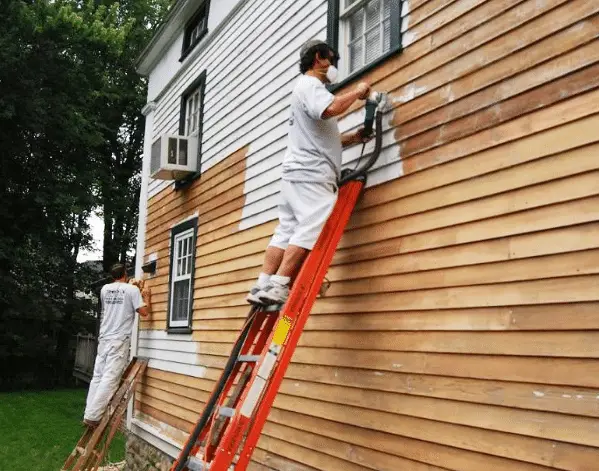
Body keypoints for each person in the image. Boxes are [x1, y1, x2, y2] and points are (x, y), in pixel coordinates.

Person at [246, 39, 372, 306]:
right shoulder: (311, 85)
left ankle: (263, 284)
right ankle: (280, 285)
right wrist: (358, 92)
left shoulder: (301, 91)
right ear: (319, 58)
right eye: (331, 59)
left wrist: (354, 138)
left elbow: (321, 139)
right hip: (312, 174)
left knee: (286, 229)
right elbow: (332, 108)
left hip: (295, 175)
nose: (333, 66)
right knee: (310, 226)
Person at [83, 263, 151, 427]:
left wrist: (131, 288)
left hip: (104, 338)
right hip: (118, 340)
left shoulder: (104, 289)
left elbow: (119, 296)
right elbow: (144, 312)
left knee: (98, 376)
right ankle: (94, 416)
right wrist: (146, 296)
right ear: (125, 274)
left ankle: (89, 413)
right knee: (110, 378)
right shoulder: (132, 291)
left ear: (112, 275)